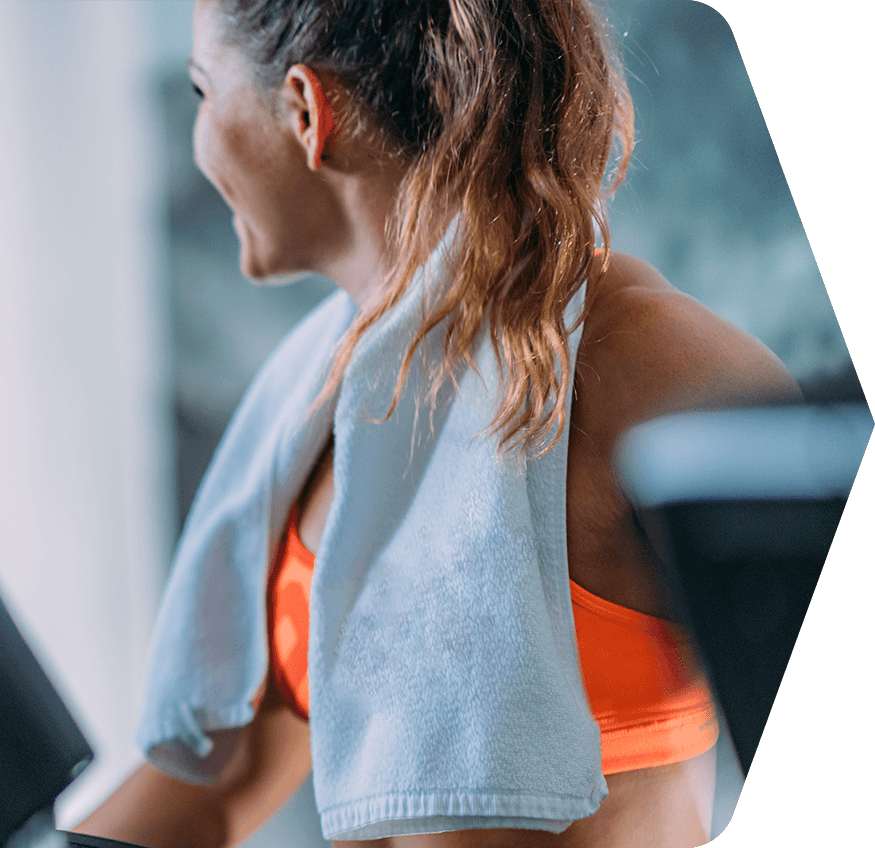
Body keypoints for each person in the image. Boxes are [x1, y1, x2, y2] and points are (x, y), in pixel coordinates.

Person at [74, 1, 799, 846]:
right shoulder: (317, 409)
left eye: (203, 92)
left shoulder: (646, 365)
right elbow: (210, 791)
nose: (197, 141)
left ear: (307, 113)